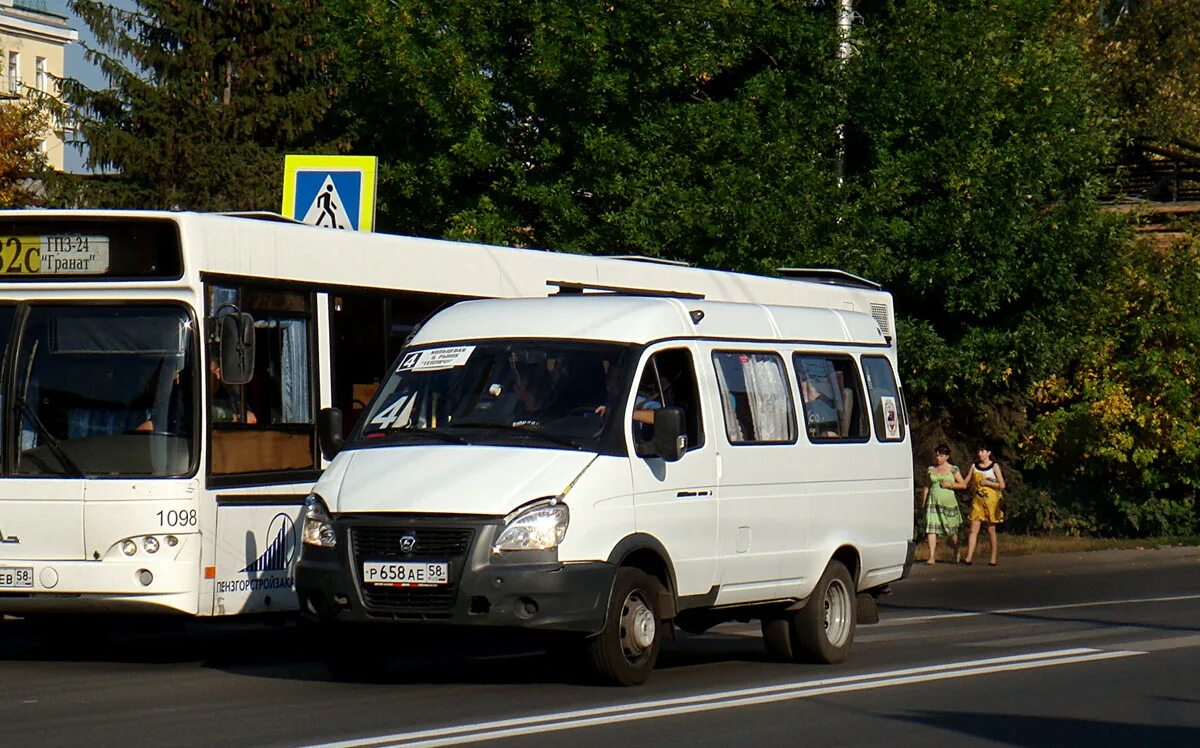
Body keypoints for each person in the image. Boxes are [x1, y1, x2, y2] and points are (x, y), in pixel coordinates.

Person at [918, 444, 966, 564]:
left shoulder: (953, 469)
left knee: (951, 530)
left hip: (948, 501)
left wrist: (950, 485)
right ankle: (932, 556)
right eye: (937, 455)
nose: (938, 458)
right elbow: (927, 486)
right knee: (932, 528)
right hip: (933, 502)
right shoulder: (931, 470)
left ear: (947, 456)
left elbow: (963, 484)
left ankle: (956, 551)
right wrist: (923, 502)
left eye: (941, 455)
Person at [963, 444, 1005, 566]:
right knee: (973, 529)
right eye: (979, 451)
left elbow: (1002, 485)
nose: (980, 454)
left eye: (983, 451)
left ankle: (993, 558)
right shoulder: (974, 467)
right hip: (978, 502)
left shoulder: (994, 467)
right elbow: (966, 482)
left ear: (988, 453)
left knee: (991, 530)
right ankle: (969, 557)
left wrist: (987, 482)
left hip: (991, 502)